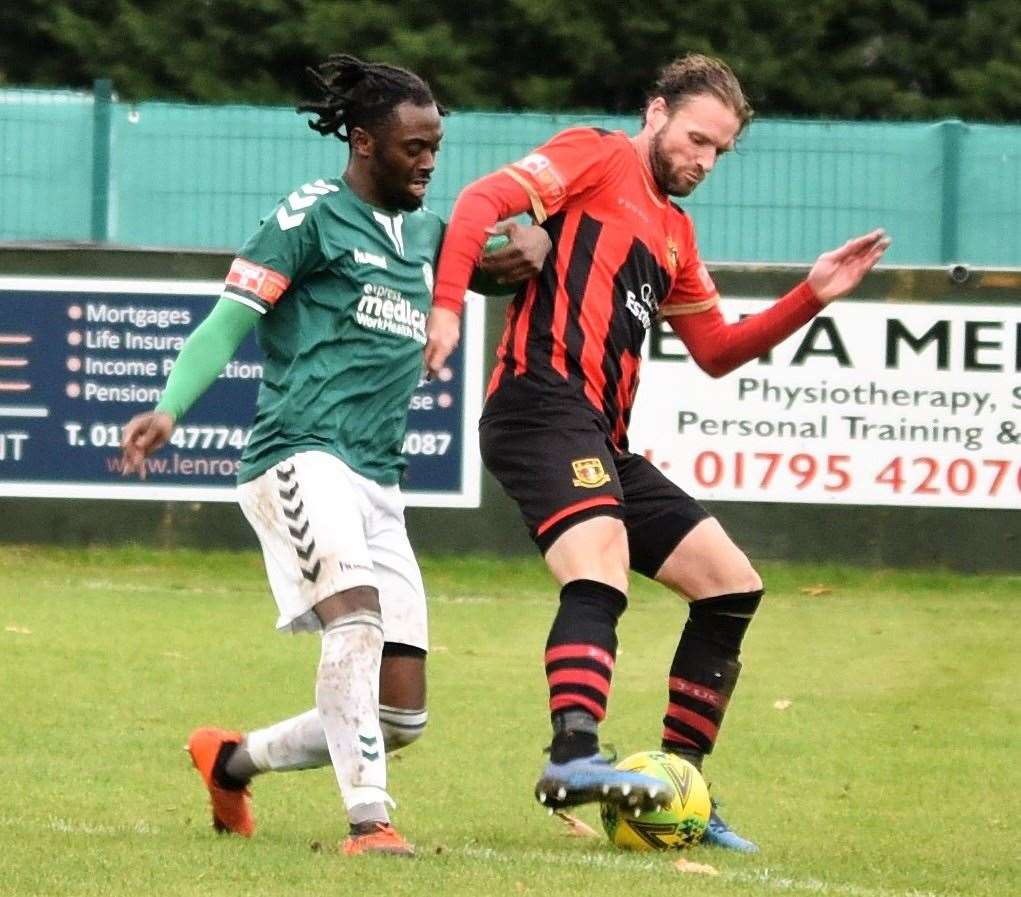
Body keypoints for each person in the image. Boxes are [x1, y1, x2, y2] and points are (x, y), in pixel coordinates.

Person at [424, 53, 890, 852]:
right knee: (597, 561)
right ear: (655, 113)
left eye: (718, 151)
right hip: (538, 405)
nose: (703, 161)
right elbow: (478, 200)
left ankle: (680, 790)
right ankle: (572, 754)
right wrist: (446, 310)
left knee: (729, 584)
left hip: (600, 434)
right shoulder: (595, 155)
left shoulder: (674, 232)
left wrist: (809, 295)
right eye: (696, 139)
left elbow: (713, 348)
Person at [120, 55, 549, 858]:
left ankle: (231, 759)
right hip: (297, 457)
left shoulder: (427, 235)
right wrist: (170, 407)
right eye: (412, 147)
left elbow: (503, 254)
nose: (428, 161)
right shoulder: (307, 217)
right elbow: (226, 323)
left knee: (400, 715)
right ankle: (369, 821)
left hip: (378, 479)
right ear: (360, 142)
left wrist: (535, 242)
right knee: (353, 622)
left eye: (435, 147)